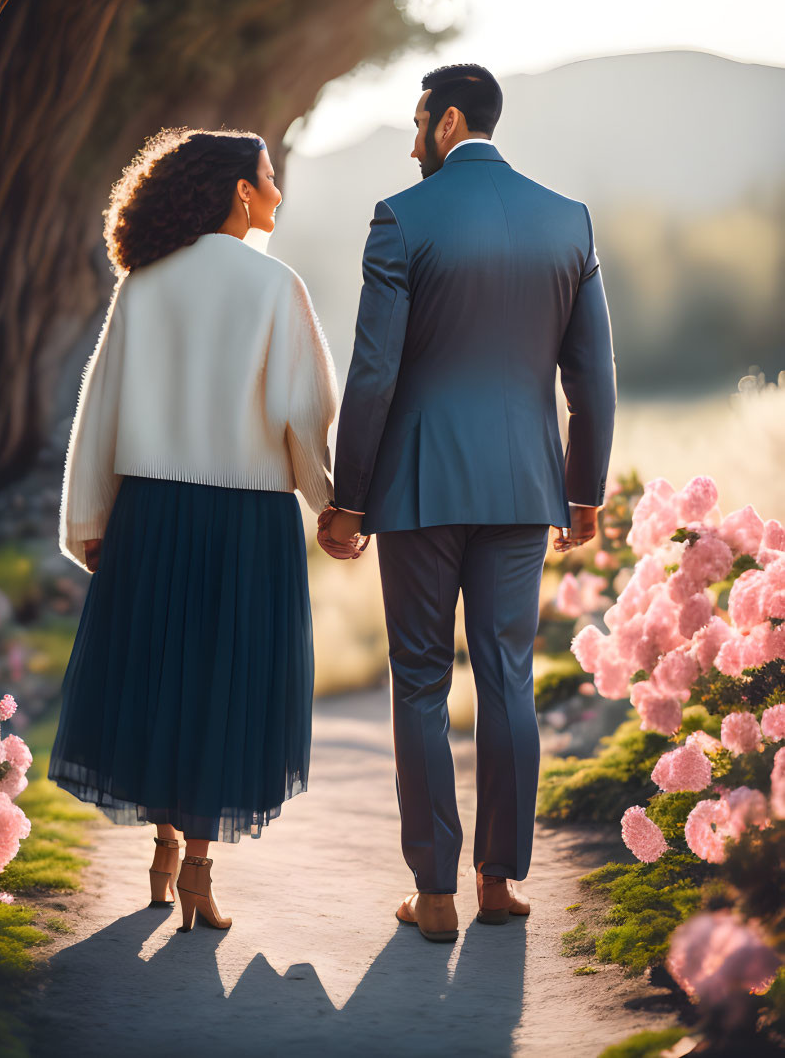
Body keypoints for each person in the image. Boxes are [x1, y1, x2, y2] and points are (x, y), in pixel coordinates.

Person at [321, 64, 616, 942]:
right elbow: (592, 379)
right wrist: (584, 488)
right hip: (525, 489)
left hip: (416, 489)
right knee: (507, 676)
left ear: (449, 120)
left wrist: (348, 497)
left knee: (419, 678)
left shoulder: (402, 219)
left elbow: (372, 372)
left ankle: (434, 892)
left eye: (418, 125)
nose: (413, 145)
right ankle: (497, 881)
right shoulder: (568, 220)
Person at [50, 127, 338, 932]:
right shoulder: (276, 285)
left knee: (157, 673)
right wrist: (329, 503)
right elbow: (303, 416)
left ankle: (165, 848)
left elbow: (99, 406)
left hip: (150, 510)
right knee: (225, 687)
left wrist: (90, 519)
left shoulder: (142, 284)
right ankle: (200, 873)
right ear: (240, 192)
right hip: (244, 514)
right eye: (269, 177)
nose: (278, 191)